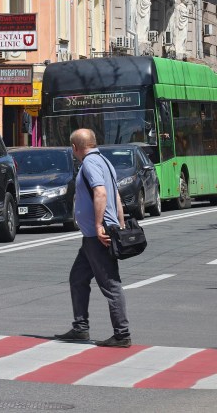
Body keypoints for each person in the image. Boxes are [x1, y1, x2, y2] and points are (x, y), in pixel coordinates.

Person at [55, 128, 131, 348]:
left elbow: (101, 192)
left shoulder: (89, 164)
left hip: (97, 235)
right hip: (93, 236)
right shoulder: (105, 161)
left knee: (110, 284)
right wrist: (120, 224)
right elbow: (116, 196)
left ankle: (122, 334)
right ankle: (80, 328)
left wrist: (100, 226)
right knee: (78, 278)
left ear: (74, 148)